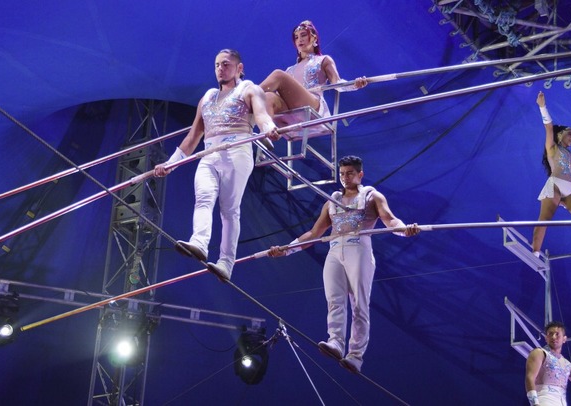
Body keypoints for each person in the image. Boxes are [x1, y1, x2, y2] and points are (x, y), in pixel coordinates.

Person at [268, 155, 419, 373]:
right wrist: (287, 248)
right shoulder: (332, 201)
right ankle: (336, 343)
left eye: (349, 173)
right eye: (341, 174)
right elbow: (314, 233)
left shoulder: (372, 197)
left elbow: (390, 220)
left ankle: (356, 355)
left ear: (360, 174)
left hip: (359, 248)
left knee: (359, 304)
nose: (345, 178)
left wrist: (405, 230)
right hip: (334, 251)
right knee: (334, 300)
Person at [154, 49, 279, 281]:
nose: (220, 69)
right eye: (217, 65)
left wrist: (268, 129)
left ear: (239, 68)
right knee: (203, 198)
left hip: (237, 151)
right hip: (209, 153)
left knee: (229, 210)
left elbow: (261, 115)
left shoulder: (250, 89)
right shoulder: (208, 97)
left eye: (226, 64)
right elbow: (192, 138)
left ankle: (226, 263)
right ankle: (199, 242)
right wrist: (171, 164)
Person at [258, 20, 369, 147]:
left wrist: (355, 84)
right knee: (268, 97)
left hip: (313, 108)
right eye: (296, 37)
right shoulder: (290, 70)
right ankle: (266, 130)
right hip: (291, 112)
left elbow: (337, 83)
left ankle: (246, 96)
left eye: (303, 35)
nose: (300, 39)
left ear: (314, 37)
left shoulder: (323, 60)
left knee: (278, 74)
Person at [532, 91, 571, 256]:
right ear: (560, 135)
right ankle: (535, 250)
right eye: (570, 134)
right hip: (555, 184)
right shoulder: (552, 148)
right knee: (545, 219)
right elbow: (548, 127)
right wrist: (542, 107)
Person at [525, 321, 571, 405]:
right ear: (546, 338)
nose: (553, 337)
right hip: (544, 401)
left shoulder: (568, 365)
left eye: (557, 334)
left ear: (564, 339)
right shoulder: (539, 353)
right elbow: (529, 378)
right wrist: (534, 404)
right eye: (550, 334)